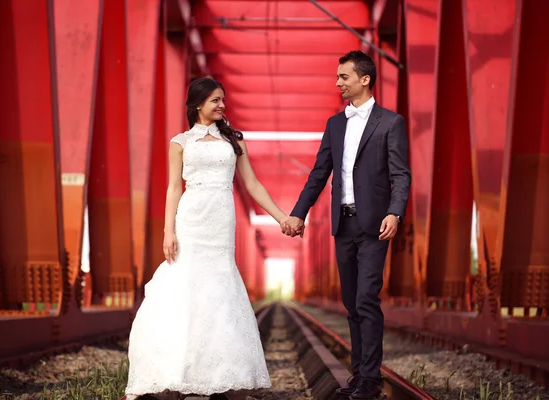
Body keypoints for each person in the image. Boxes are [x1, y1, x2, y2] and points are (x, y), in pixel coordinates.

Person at [125, 77, 291, 400]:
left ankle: (218, 372)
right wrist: (168, 230)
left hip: (221, 222)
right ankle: (178, 369)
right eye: (215, 100)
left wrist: (281, 217)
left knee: (219, 286)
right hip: (191, 220)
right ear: (198, 104)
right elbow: (174, 188)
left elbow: (253, 185)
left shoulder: (234, 141)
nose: (221, 105)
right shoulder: (180, 142)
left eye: (223, 100)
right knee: (185, 284)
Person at [282, 50, 411, 399]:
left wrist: (394, 213)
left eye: (344, 77)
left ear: (364, 79)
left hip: (374, 224)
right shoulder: (335, 124)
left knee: (368, 298)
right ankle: (359, 376)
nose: (337, 82)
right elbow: (319, 173)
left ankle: (370, 379)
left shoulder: (390, 123)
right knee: (352, 303)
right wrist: (298, 212)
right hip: (344, 224)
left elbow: (401, 174)